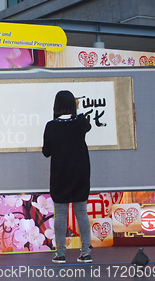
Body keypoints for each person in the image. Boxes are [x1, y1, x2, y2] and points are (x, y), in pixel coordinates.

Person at [42, 90, 92, 264]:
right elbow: (87, 125)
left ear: (56, 106)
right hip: (80, 174)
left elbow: (46, 152)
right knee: (82, 214)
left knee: (61, 215)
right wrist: (76, 109)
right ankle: (86, 253)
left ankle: (61, 254)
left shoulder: (51, 126)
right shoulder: (80, 123)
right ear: (73, 104)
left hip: (60, 175)